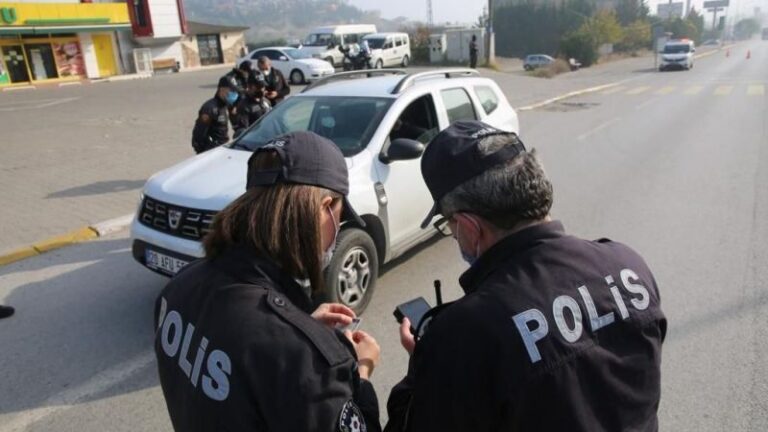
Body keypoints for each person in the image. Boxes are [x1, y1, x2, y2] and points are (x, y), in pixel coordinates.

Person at [385, 121, 666, 431]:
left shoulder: (463, 334)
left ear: (468, 226)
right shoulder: (628, 266)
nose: (454, 236)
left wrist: (427, 364)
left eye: (449, 226)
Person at [155, 131, 383, 432]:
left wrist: (298, 323)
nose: (337, 231)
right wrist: (362, 370)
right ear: (324, 207)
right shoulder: (304, 359)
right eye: (339, 217)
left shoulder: (179, 285)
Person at [191, 77, 239, 154]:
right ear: (222, 89)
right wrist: (206, 154)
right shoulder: (210, 108)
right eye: (232, 90)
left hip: (223, 149)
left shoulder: (226, 106)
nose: (235, 94)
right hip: (212, 152)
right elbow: (198, 136)